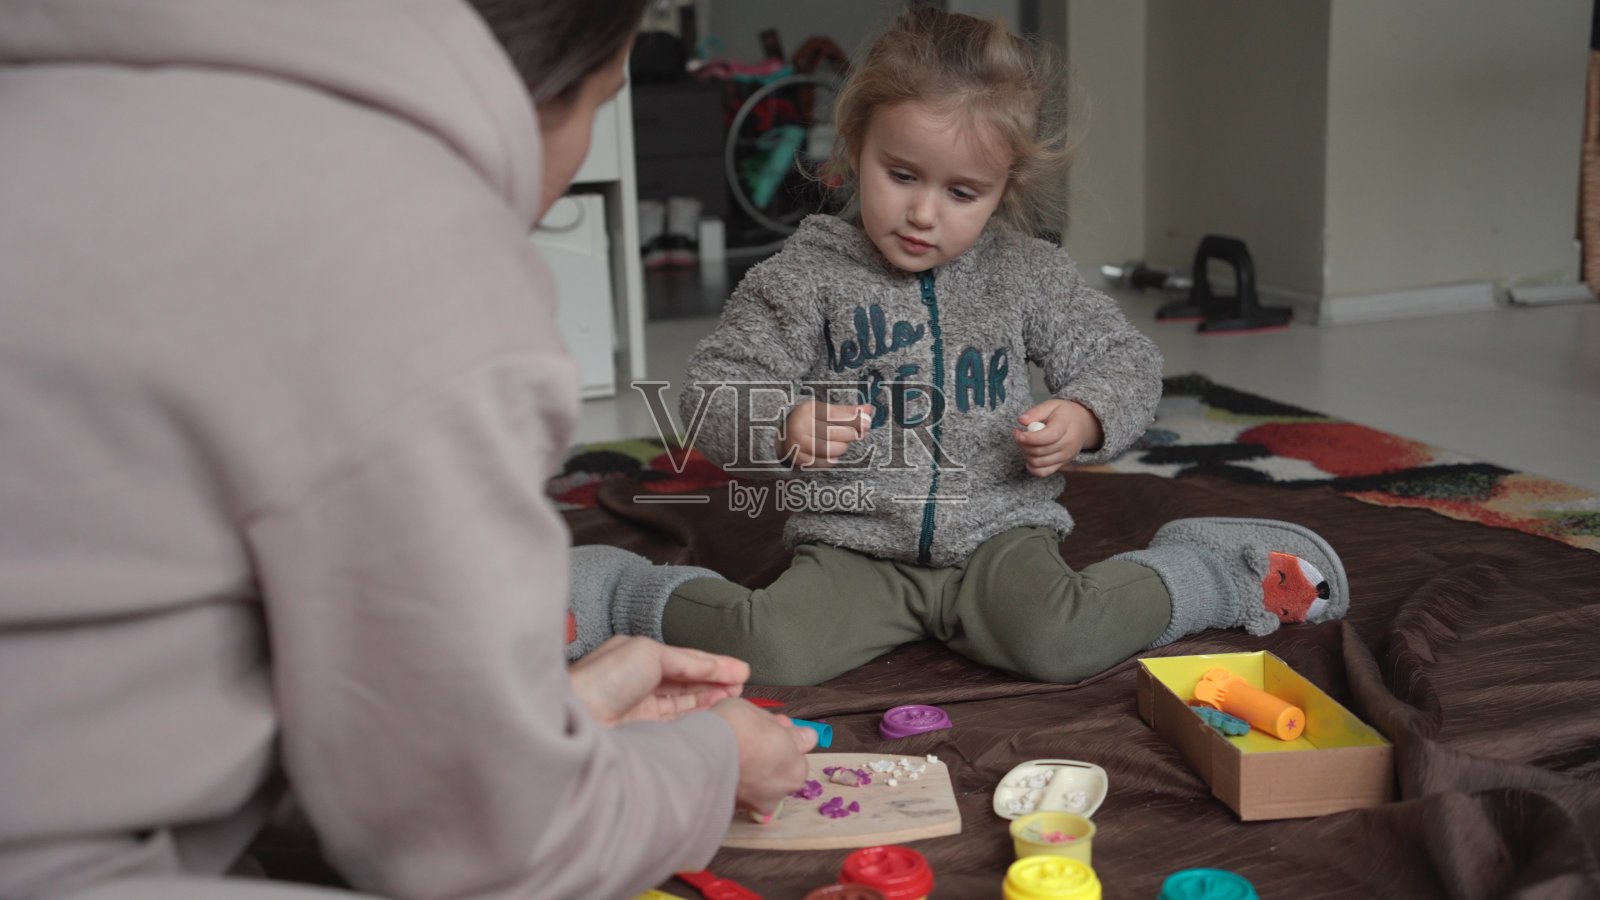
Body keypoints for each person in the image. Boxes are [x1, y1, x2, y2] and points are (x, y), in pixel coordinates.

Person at [0, 1, 813, 899]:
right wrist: (708, 765)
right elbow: (492, 848)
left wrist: (551, 718)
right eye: (603, 99)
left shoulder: (57, 106)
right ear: (554, 79)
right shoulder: (408, 250)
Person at [567, 6, 1350, 686]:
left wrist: (1084, 414)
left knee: (1065, 641)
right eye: (902, 174)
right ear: (854, 146)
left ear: (1005, 189)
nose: (923, 214)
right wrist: (782, 423)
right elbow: (712, 388)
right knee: (771, 651)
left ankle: (1213, 569)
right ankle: (616, 594)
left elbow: (1126, 361)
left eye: (962, 192)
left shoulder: (1027, 273)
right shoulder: (805, 275)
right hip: (856, 545)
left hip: (997, 537)